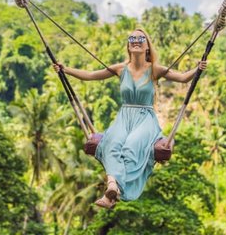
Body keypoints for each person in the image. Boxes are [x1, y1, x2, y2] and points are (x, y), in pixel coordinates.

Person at [53, 28, 207, 209]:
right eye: (132, 38)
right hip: (124, 117)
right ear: (128, 45)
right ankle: (112, 186)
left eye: (140, 38)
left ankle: (113, 189)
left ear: (147, 46)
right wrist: (65, 70)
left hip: (145, 118)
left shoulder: (154, 69)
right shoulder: (120, 68)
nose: (135, 40)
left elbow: (182, 78)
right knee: (110, 143)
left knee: (132, 145)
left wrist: (198, 69)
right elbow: (91, 75)